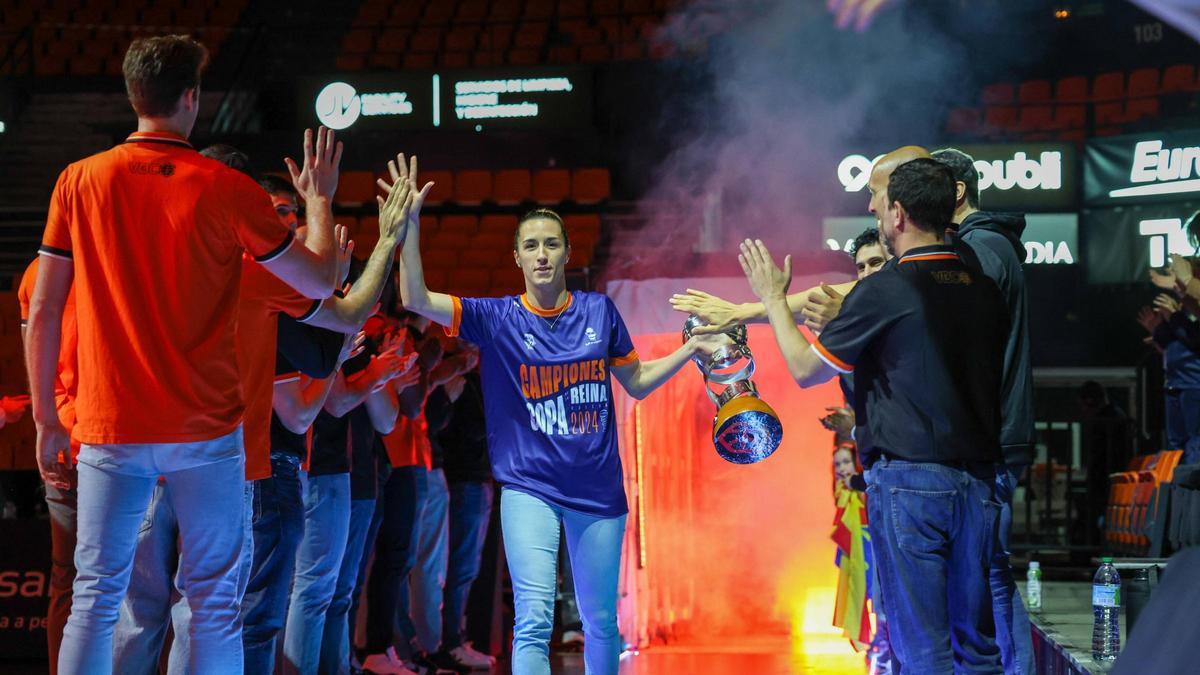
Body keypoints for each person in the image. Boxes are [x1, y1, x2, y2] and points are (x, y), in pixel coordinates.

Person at [24, 34, 350, 674]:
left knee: (95, 595)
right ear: (192, 100)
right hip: (206, 432)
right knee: (212, 601)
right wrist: (317, 201)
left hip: (111, 426)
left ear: (132, 95)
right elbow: (317, 284)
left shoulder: (78, 181)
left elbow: (44, 309)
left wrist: (45, 420)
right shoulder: (226, 187)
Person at [386, 152, 722, 675]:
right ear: (517, 257)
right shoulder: (495, 318)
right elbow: (414, 296)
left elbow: (635, 381)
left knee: (601, 621)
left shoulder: (599, 312)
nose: (541, 254)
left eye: (550, 244)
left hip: (597, 488)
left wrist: (688, 350)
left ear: (567, 252)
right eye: (530, 246)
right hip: (529, 488)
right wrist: (408, 228)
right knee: (535, 619)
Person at [737, 158, 1008, 672]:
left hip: (911, 481)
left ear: (899, 214)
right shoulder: (982, 283)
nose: (871, 209)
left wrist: (772, 298)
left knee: (921, 645)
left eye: (878, 202)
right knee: (975, 646)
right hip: (979, 481)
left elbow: (802, 368)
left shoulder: (887, 288)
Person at [933, 146, 1036, 675]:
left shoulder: (984, 248)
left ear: (955, 191)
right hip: (992, 429)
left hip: (994, 432)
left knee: (990, 574)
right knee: (988, 570)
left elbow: (972, 341)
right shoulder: (980, 244)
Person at [17, 258, 74, 675]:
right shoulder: (115, 256)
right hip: (114, 439)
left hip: (60, 432)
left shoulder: (36, 272)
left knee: (66, 577)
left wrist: (46, 422)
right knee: (136, 584)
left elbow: (33, 349)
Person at [430, 365, 499, 671]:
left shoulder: (478, 380)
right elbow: (461, 430)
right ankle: (450, 641)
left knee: (469, 566)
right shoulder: (455, 377)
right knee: (460, 565)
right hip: (464, 479)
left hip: (480, 478)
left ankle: (458, 638)